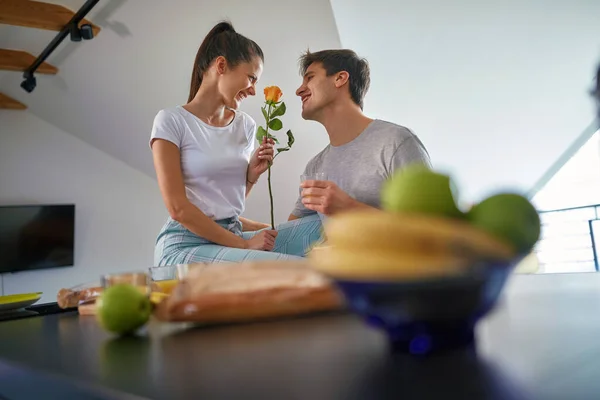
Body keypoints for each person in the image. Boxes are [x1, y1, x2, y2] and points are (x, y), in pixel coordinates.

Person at [149, 21, 320, 266]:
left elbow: (223, 203)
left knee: (319, 229)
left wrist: (251, 176)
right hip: (184, 246)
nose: (253, 90)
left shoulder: (245, 126)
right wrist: (243, 244)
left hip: (230, 235)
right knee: (294, 268)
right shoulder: (172, 121)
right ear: (221, 65)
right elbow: (178, 208)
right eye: (251, 78)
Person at [289, 49, 432, 222]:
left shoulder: (396, 142)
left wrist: (349, 207)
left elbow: (431, 229)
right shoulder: (314, 168)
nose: (299, 90)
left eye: (310, 77)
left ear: (340, 78)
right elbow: (291, 232)